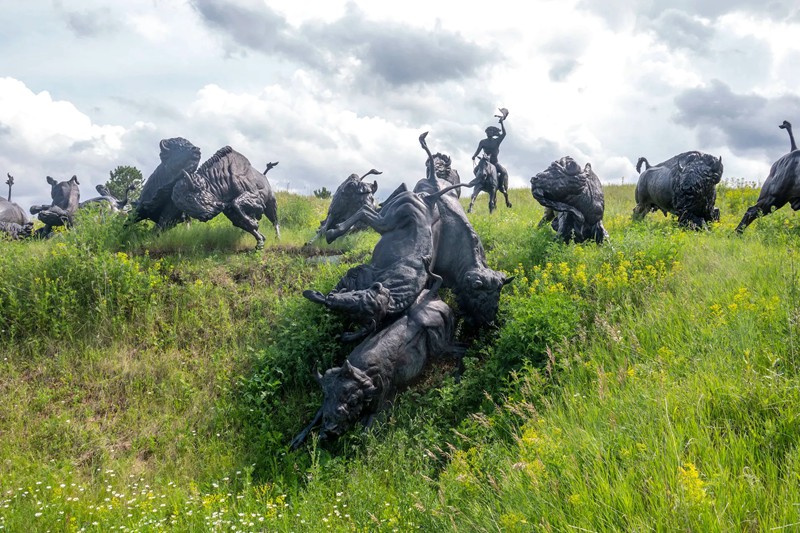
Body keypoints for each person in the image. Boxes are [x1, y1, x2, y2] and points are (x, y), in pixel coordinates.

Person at [471, 108, 509, 186]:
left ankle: (500, 185)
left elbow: (504, 134)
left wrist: (502, 123)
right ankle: (481, 183)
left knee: (503, 172)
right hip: (485, 162)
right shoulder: (483, 142)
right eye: (487, 132)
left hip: (494, 162)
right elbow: (478, 150)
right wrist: (474, 156)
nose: (488, 133)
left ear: (493, 133)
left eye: (490, 131)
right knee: (475, 170)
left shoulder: (497, 141)